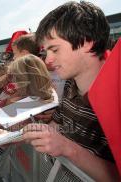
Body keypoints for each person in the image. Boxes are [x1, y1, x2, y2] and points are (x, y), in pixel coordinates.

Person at [22, 2, 119, 181]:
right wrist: (20, 135)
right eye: (46, 51)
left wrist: (67, 148)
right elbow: (58, 126)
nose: (48, 60)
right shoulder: (70, 83)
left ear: (87, 43)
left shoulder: (117, 96)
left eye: (55, 49)